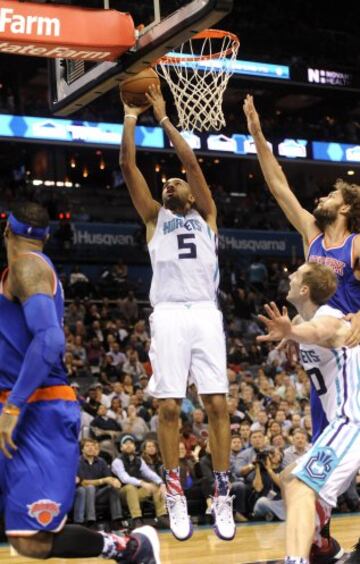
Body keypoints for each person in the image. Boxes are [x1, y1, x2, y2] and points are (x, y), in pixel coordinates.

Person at [0, 201, 160, 563]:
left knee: (32, 541)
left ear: (7, 231)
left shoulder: (28, 267)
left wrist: (13, 406)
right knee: (23, 538)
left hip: (37, 411)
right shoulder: (20, 272)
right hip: (19, 405)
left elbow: (51, 341)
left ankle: (130, 548)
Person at [244, 93, 360, 560]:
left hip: (346, 346)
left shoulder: (354, 245)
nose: (321, 198)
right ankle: (317, 544)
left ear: (348, 206)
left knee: (328, 457)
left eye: (331, 195)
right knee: (317, 459)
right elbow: (278, 187)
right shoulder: (313, 240)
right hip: (322, 364)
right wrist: (256, 131)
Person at [119, 85, 235, 542]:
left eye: (176, 181)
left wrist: (165, 119)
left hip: (206, 312)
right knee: (168, 408)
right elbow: (129, 166)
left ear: (190, 190)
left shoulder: (207, 213)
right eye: (165, 182)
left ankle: (222, 493)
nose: (170, 182)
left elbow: (189, 163)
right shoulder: (154, 218)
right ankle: (173, 490)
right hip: (167, 313)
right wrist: (131, 116)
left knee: (218, 405)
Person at [257, 261, 360, 563]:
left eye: (296, 274)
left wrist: (293, 330)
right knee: (291, 477)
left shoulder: (329, 319)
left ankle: (298, 558)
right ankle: (321, 547)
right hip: (342, 423)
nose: (289, 275)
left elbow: (320, 330)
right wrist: (293, 332)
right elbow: (308, 327)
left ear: (304, 289)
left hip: (352, 421)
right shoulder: (307, 316)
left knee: (302, 484)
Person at [112, 435, 168, 529]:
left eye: (131, 443)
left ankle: (162, 516)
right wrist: (142, 483)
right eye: (125, 444)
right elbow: (124, 478)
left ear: (134, 447)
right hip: (121, 493)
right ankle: (136, 519)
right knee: (130, 487)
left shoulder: (139, 460)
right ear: (121, 448)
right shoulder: (117, 462)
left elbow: (149, 473)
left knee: (155, 486)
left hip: (135, 493)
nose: (128, 445)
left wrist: (161, 483)